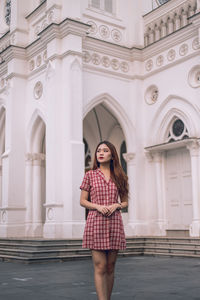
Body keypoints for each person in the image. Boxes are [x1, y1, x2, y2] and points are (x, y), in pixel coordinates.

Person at [80, 140, 128, 300]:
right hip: (96, 222)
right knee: (100, 266)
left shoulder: (120, 176)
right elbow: (83, 201)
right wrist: (97, 206)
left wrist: (117, 205)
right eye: (98, 150)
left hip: (114, 221)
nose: (100, 153)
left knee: (110, 266)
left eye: (105, 150)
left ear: (112, 155)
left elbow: (125, 201)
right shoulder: (90, 175)